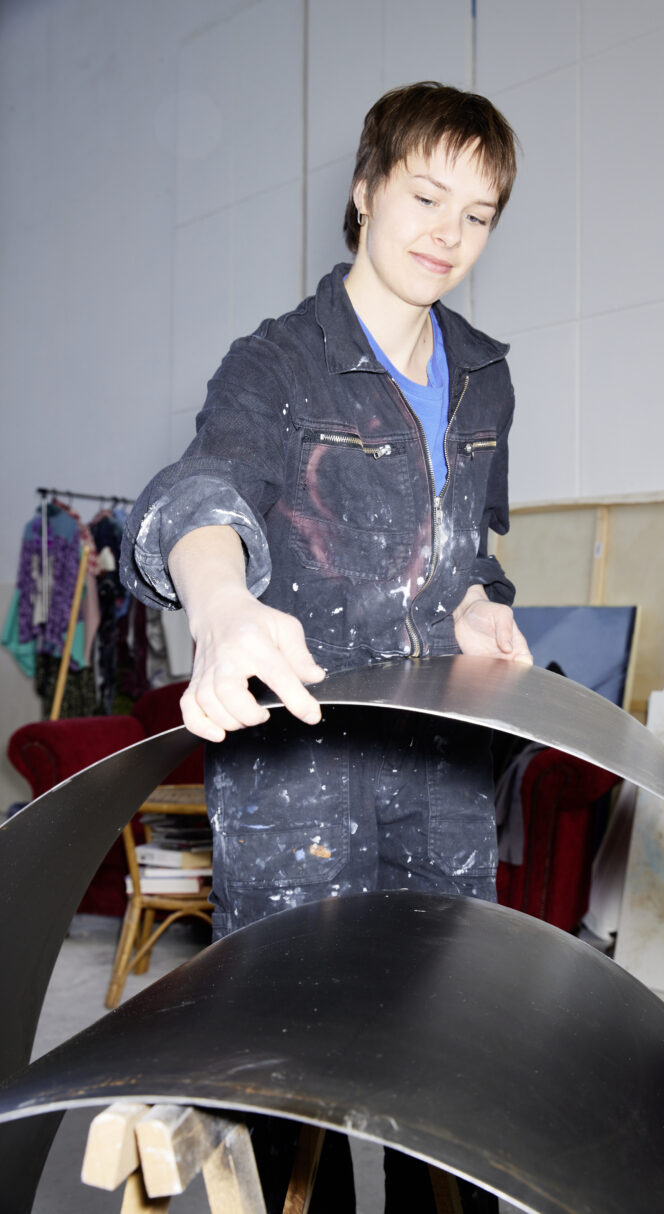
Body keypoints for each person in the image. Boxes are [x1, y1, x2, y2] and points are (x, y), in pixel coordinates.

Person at [121, 80, 530, 1213]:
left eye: (478, 214)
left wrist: (479, 603)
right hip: (301, 769)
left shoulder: (486, 373)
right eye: (425, 196)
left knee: (447, 1067)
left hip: (441, 762)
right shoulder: (276, 364)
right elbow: (201, 492)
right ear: (364, 190)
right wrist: (219, 604)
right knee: (298, 1079)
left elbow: (468, 552)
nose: (448, 234)